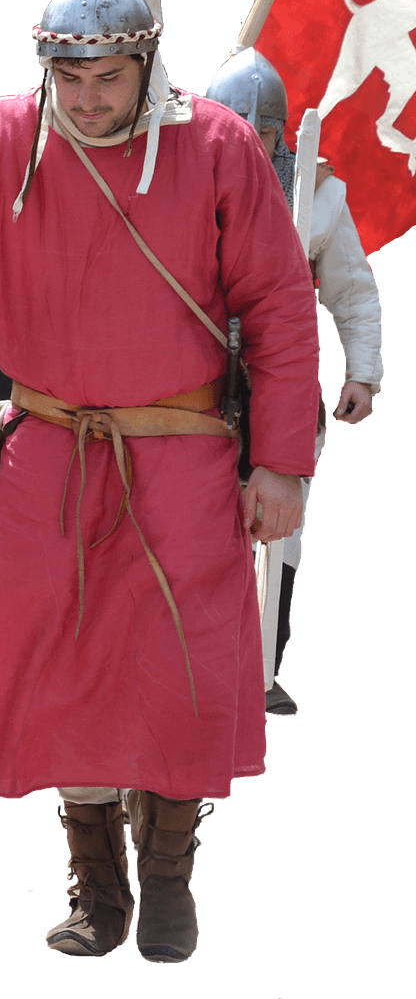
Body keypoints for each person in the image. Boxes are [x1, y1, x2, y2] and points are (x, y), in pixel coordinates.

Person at [0, 0, 320, 965]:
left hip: (184, 452)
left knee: (180, 670)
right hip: (49, 453)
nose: (85, 98)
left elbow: (280, 308)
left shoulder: (217, 144)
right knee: (55, 659)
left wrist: (281, 461)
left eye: (107, 77)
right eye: (68, 76)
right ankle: (96, 884)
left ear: (146, 62)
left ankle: (167, 877)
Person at [205, 48, 385, 716]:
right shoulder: (178, 181)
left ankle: (258, 669)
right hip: (194, 385)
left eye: (265, 134)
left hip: (282, 388)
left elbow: (353, 292)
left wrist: (362, 372)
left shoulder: (321, 195)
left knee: (279, 529)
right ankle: (191, 662)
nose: (252, 144)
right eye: (238, 127)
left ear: (282, 135)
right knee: (191, 518)